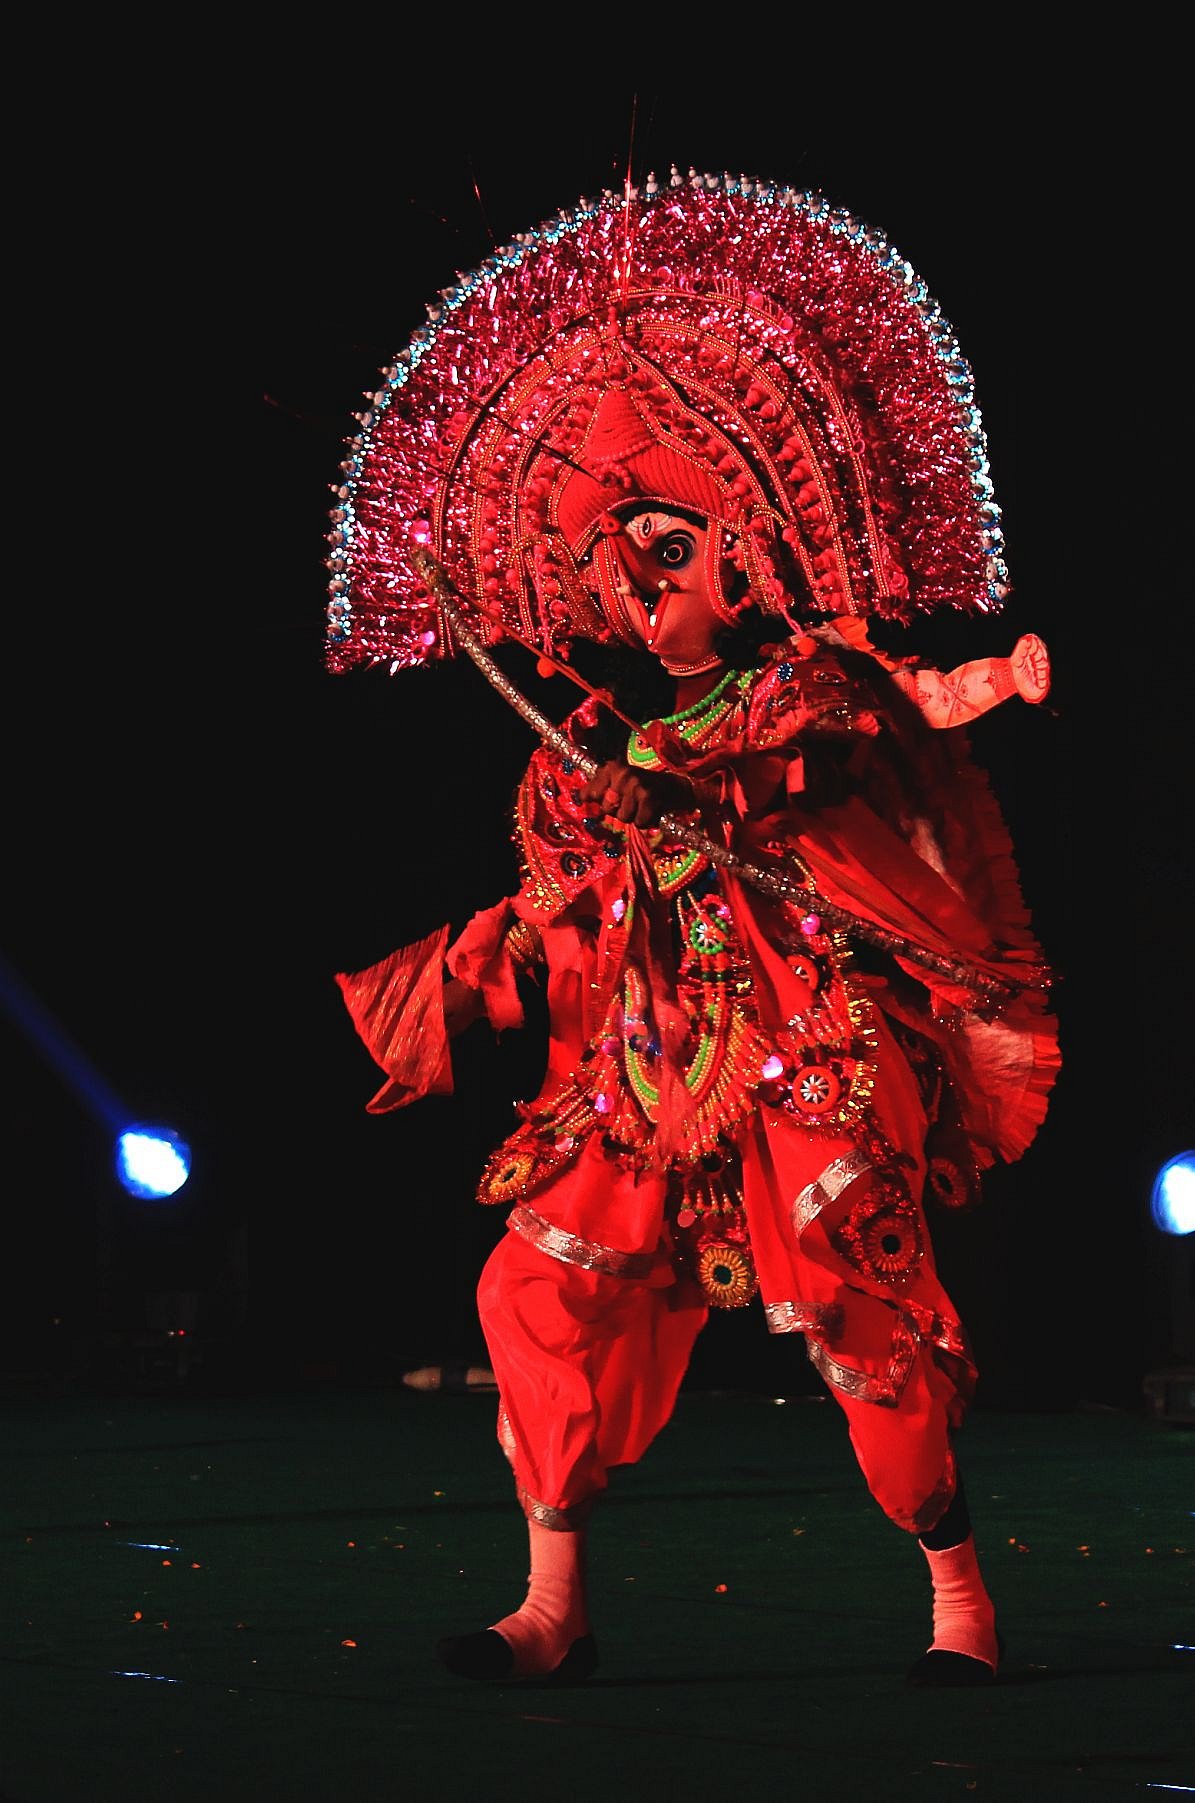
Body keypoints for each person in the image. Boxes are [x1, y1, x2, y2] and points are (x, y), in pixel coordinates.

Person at [328, 170, 1060, 1689]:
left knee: (864, 1304)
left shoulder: (795, 690)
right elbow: (555, 883)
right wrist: (583, 851)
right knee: (533, 1288)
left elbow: (885, 718)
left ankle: (961, 1603)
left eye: (666, 550)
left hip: (797, 1047)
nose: (635, 585)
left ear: (741, 552)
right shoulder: (591, 742)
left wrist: (994, 680)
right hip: (643, 1057)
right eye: (616, 563)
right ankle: (553, 1607)